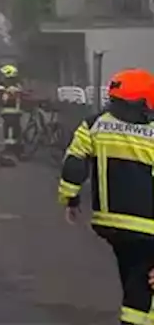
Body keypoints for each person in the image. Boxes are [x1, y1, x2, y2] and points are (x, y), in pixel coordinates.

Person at [58, 69, 154, 325]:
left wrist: (71, 199)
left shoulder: (93, 124)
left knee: (133, 275)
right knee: (143, 288)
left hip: (110, 224)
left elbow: (74, 165)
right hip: (149, 227)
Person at [0, 64, 25, 161]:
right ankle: (15, 149)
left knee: (10, 131)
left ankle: (12, 149)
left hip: (10, 112)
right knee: (15, 130)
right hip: (15, 112)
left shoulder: (9, 87)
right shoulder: (17, 85)